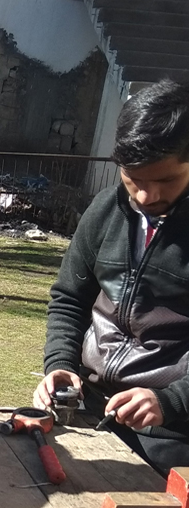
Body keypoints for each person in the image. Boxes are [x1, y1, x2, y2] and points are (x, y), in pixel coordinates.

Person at [33, 80, 189, 476]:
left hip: (173, 438)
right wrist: (60, 363)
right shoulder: (105, 210)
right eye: (134, 178)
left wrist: (172, 401)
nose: (146, 196)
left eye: (165, 181)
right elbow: (70, 298)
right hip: (86, 412)